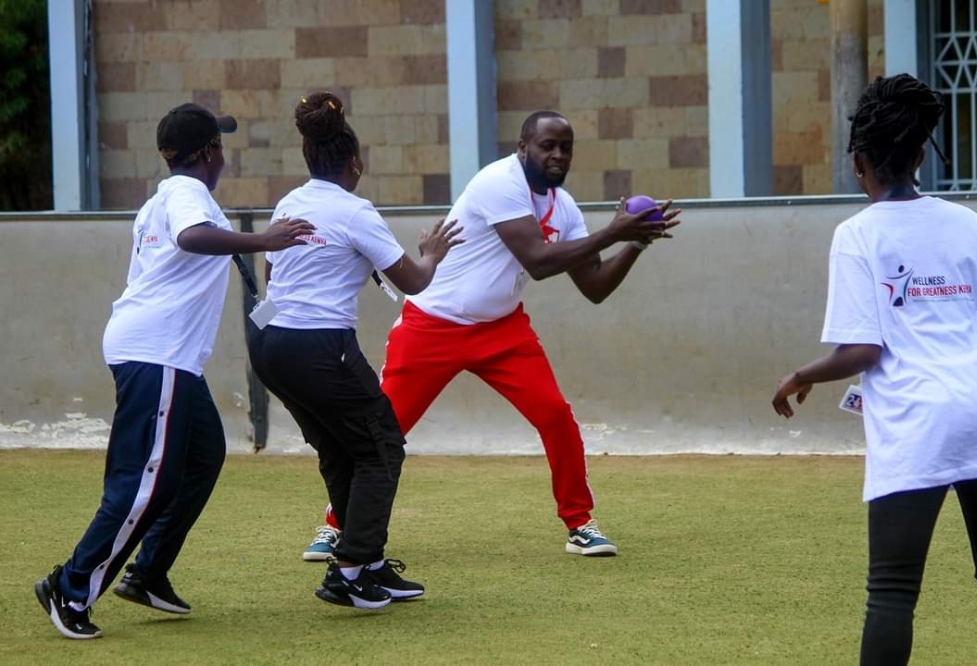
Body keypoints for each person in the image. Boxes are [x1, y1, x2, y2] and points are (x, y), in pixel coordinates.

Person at [300, 110, 681, 561]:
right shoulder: (498, 182)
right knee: (383, 429)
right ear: (523, 148)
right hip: (433, 325)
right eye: (547, 146)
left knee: (555, 415)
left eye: (566, 147)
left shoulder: (566, 207)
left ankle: (580, 523)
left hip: (502, 329)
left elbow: (594, 286)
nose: (558, 154)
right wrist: (614, 231)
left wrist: (634, 244)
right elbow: (538, 261)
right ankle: (335, 524)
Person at [33, 103, 315, 640]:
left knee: (202, 456)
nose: (224, 155)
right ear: (209, 153)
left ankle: (148, 572)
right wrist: (264, 239)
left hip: (165, 355)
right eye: (221, 145)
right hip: (157, 354)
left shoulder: (163, 200)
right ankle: (70, 587)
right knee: (140, 484)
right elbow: (191, 239)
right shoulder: (187, 196)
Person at [771, 74, 977, 665]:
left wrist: (801, 374)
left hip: (916, 422)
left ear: (857, 164)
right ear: (922, 155)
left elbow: (863, 352)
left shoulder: (857, 234)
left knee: (893, 593)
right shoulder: (970, 223)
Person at [248, 92, 461, 609]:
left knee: (342, 450)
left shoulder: (290, 203)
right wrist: (432, 254)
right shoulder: (356, 211)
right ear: (356, 163)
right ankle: (349, 571)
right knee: (382, 446)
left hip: (271, 345)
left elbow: (276, 273)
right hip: (320, 346)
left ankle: (365, 562)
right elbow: (411, 281)